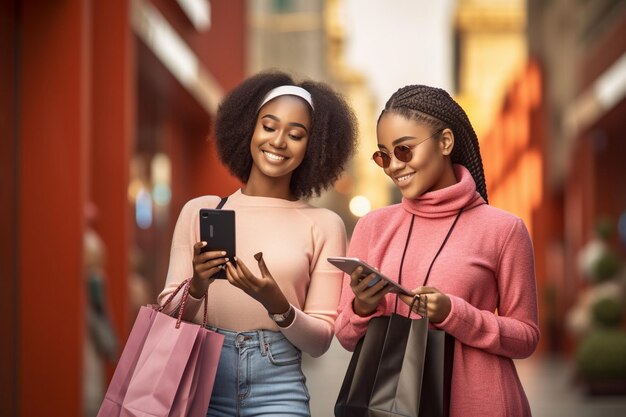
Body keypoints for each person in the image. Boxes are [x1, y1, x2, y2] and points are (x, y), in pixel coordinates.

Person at [158, 70, 357, 417]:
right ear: (248, 127)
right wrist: (198, 285)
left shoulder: (324, 225)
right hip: (202, 380)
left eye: (296, 134)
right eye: (269, 126)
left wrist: (276, 303)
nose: (278, 142)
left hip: (278, 387)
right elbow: (167, 316)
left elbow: (320, 341)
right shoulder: (199, 211)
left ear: (314, 147)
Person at [334, 84, 539, 417]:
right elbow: (344, 335)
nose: (393, 166)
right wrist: (363, 305)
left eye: (404, 150)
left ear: (445, 142)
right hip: (390, 406)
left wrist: (454, 314)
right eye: (383, 155)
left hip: (483, 406)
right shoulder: (373, 226)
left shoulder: (504, 229)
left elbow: (526, 337)